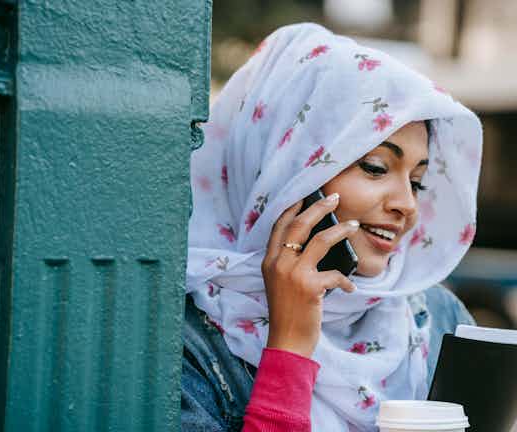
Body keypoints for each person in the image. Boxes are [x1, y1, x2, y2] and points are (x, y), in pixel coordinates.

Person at [182, 23, 482, 432]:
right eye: (376, 168)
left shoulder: (439, 316)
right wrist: (289, 348)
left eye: (417, 181)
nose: (406, 205)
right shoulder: (186, 339)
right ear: (285, 170)